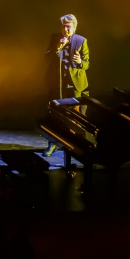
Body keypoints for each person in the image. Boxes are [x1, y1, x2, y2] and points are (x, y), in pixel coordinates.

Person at [43, 14, 90, 157]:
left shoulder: (81, 41)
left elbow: (87, 64)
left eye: (68, 26)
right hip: (57, 84)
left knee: (76, 117)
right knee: (54, 115)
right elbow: (46, 58)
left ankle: (77, 146)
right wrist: (58, 47)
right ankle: (53, 144)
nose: (65, 29)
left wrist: (80, 61)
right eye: (63, 26)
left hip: (75, 86)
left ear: (74, 27)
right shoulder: (55, 38)